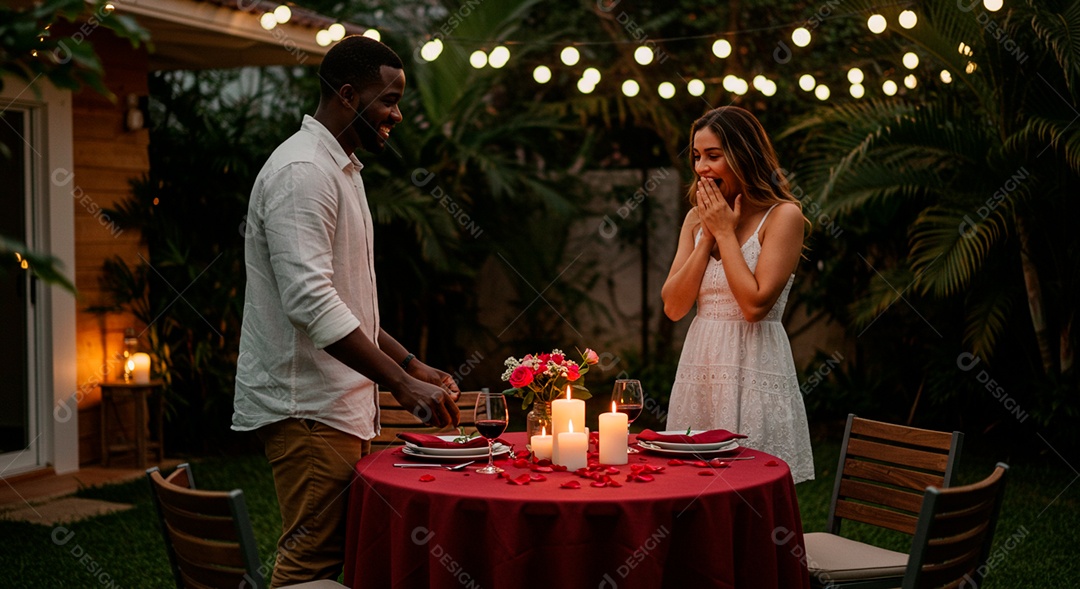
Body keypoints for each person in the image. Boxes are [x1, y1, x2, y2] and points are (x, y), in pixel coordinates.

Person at [232, 35, 461, 586]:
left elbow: (347, 300)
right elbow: (310, 302)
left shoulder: (340, 168)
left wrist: (410, 366)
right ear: (347, 93)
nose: (398, 114)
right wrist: (402, 388)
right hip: (309, 408)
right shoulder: (303, 173)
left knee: (334, 559)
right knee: (308, 565)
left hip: (332, 408)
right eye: (388, 100)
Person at [661, 106, 814, 484]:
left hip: (754, 364)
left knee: (751, 488)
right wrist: (707, 238)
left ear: (744, 155)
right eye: (697, 157)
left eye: (713, 156)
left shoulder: (783, 216)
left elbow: (754, 305)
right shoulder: (697, 219)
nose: (701, 168)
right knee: (691, 485)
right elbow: (674, 306)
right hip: (702, 366)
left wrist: (727, 235)